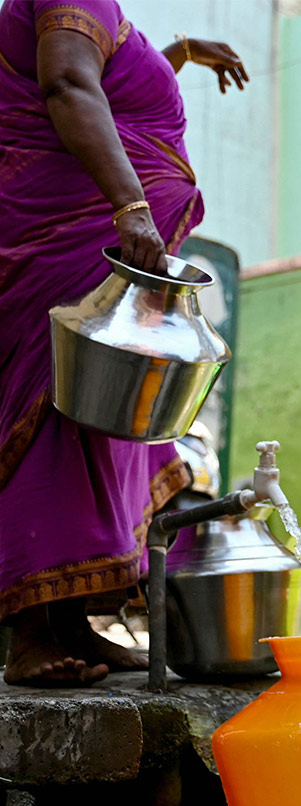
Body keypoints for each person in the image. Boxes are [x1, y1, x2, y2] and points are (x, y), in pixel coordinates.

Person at [0, 0, 248, 686]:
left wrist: (172, 56)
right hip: (64, 243)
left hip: (80, 244)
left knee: (99, 427)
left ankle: (75, 622)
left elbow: (100, 89)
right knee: (54, 425)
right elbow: (67, 88)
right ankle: (31, 635)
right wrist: (131, 203)